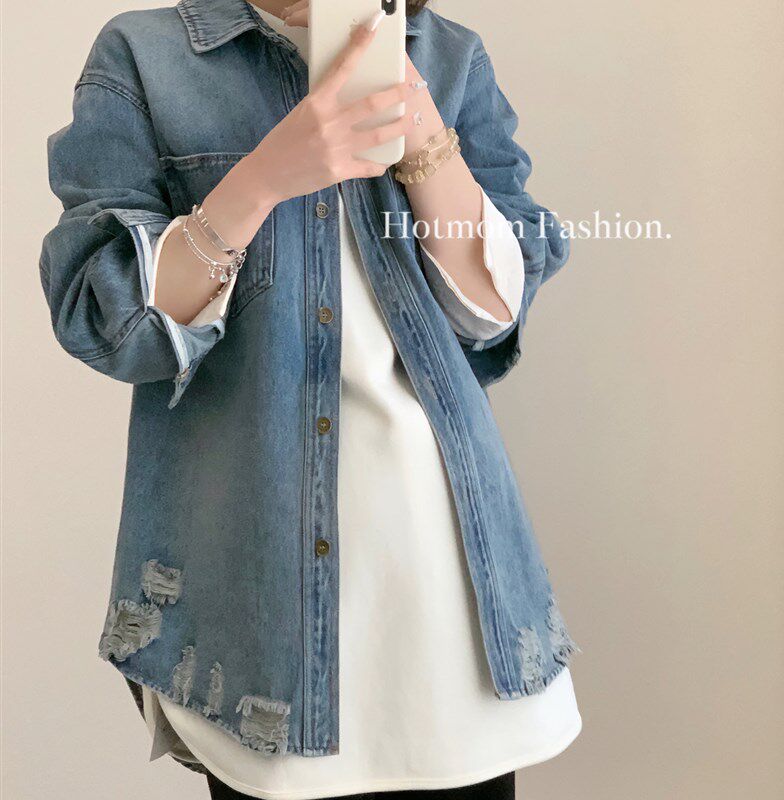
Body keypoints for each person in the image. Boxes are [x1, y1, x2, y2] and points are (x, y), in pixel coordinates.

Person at [40, 0, 581, 797]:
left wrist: (425, 139)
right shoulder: (145, 56)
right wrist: (265, 176)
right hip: (260, 589)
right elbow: (106, 319)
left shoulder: (448, 56)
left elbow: (492, 315)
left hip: (451, 583)